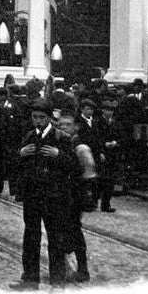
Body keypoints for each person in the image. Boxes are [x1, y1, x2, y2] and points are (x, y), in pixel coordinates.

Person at [11, 99, 79, 290]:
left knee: (55, 238)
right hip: (32, 195)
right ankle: (30, 279)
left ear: (49, 118)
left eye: (42, 117)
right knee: (30, 237)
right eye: (35, 117)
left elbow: (75, 167)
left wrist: (59, 155)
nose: (38, 121)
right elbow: (16, 165)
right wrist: (21, 153)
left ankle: (57, 281)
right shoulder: (28, 137)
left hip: (54, 197)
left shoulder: (62, 138)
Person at [58, 111, 92, 284]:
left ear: (76, 127)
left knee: (73, 231)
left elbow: (89, 173)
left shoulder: (80, 147)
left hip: (74, 195)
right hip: (62, 194)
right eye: (60, 124)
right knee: (64, 230)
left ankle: (81, 269)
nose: (63, 127)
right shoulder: (63, 143)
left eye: (67, 124)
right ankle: (66, 268)